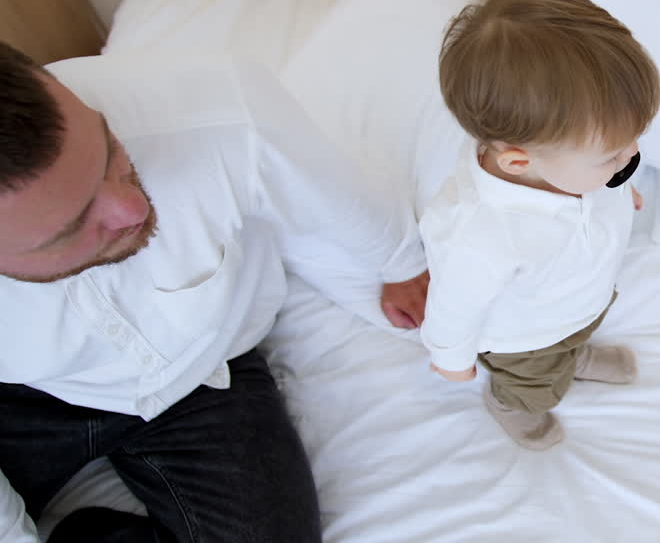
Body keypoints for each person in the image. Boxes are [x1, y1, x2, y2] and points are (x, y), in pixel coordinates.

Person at [0, 41, 430, 543]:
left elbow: (341, 198)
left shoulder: (214, 108)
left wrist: (402, 263)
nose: (133, 208)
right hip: (22, 403)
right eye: (75, 226)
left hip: (199, 374)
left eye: (109, 152)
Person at [421, 0, 660, 450]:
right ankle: (514, 402)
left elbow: (600, 182)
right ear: (518, 161)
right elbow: (454, 306)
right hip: (527, 340)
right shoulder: (480, 237)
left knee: (576, 334)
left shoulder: (568, 163)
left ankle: (572, 358)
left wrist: (619, 187)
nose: (631, 154)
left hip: (583, 299)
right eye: (612, 155)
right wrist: (451, 358)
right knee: (535, 382)